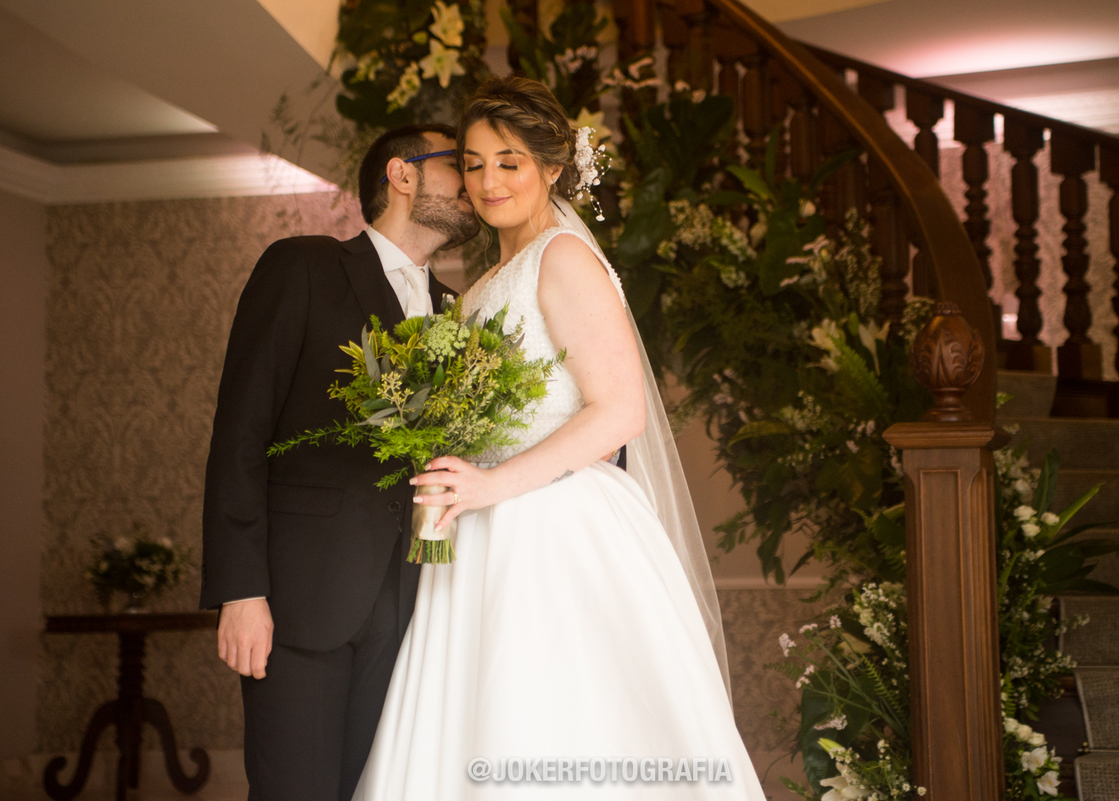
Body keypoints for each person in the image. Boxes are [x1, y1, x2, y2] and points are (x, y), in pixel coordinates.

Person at [353, 77, 767, 800]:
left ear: (551, 167)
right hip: (478, 534)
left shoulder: (563, 258)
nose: (487, 181)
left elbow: (619, 413)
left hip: (554, 531)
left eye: (509, 162)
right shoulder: (484, 281)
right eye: (474, 163)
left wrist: (490, 484)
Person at [200, 123, 479, 801]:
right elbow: (241, 433)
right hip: (302, 599)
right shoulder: (302, 266)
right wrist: (241, 590)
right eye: (458, 165)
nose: (473, 184)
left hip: (416, 608)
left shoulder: (462, 312)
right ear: (402, 173)